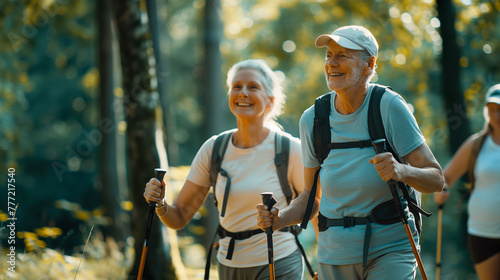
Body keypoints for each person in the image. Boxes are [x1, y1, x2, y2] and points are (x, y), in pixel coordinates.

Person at [257, 25, 444, 280]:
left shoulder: (388, 106)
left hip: (391, 249)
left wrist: (401, 171)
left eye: (343, 55)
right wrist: (279, 220)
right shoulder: (313, 119)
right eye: (329, 55)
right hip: (334, 255)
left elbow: (435, 178)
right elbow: (311, 199)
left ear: (369, 64)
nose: (332, 63)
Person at [144, 59, 309, 279]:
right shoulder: (214, 149)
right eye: (236, 86)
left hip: (279, 260)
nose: (243, 93)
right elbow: (180, 216)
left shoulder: (290, 149)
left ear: (270, 101)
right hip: (229, 264)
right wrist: (161, 204)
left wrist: (324, 267)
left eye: (253, 87)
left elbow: (312, 207)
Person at [434, 84, 500, 280]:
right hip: (482, 232)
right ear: (486, 111)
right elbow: (444, 178)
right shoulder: (476, 145)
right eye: (492, 109)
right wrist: (441, 191)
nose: (497, 115)